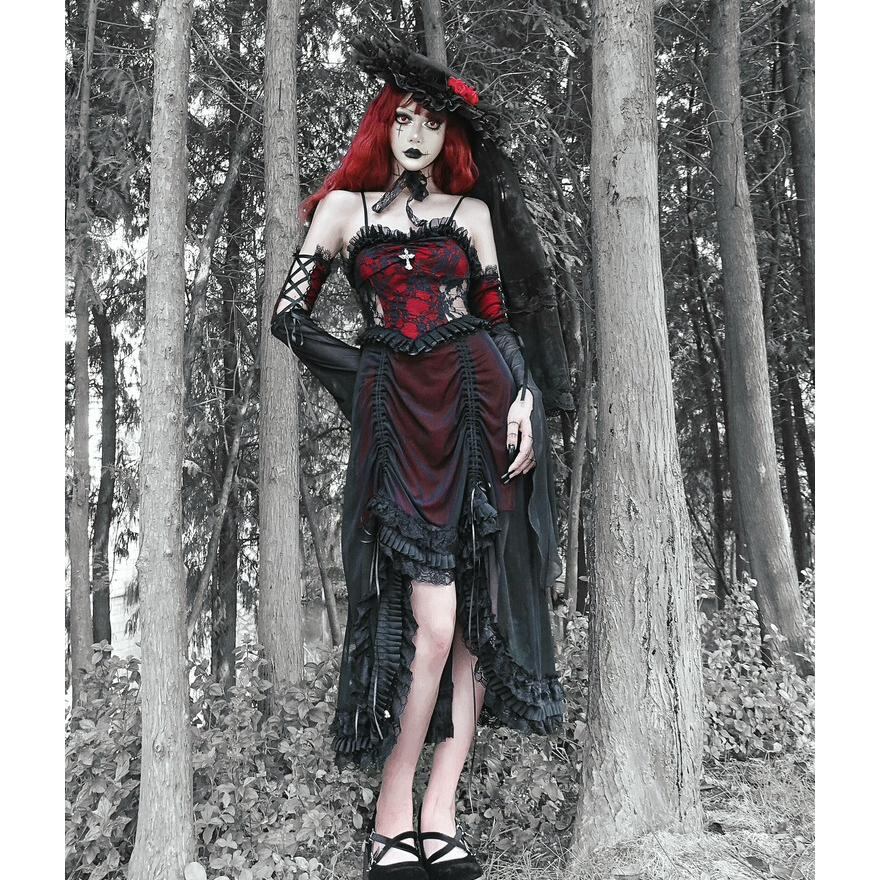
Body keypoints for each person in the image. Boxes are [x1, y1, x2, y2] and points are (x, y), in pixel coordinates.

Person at [270, 36, 571, 880]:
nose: (415, 134)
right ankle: (391, 811)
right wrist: (370, 372)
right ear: (384, 124)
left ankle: (440, 816)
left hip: (480, 414)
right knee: (431, 626)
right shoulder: (345, 210)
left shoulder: (470, 217)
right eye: (403, 118)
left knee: (475, 626)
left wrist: (525, 400)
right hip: (402, 428)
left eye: (431, 124)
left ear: (448, 138)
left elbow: (499, 324)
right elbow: (289, 318)